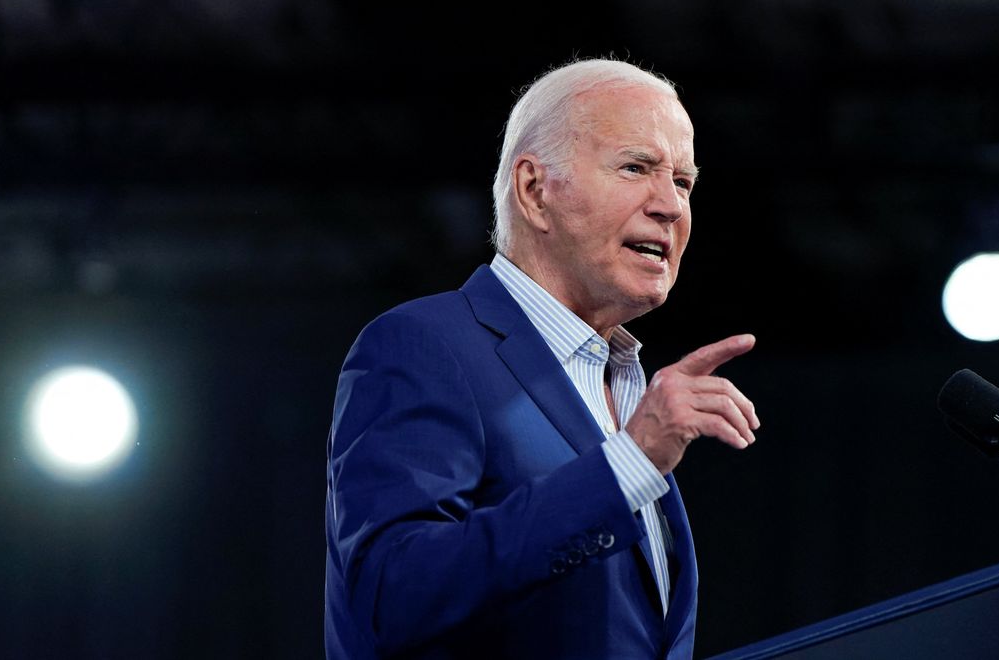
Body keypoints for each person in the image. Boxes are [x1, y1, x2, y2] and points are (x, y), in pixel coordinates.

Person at [325, 58, 761, 659]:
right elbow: (394, 598)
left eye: (683, 182)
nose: (671, 205)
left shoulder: (629, 385)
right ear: (534, 190)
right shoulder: (425, 345)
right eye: (636, 167)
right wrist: (627, 465)